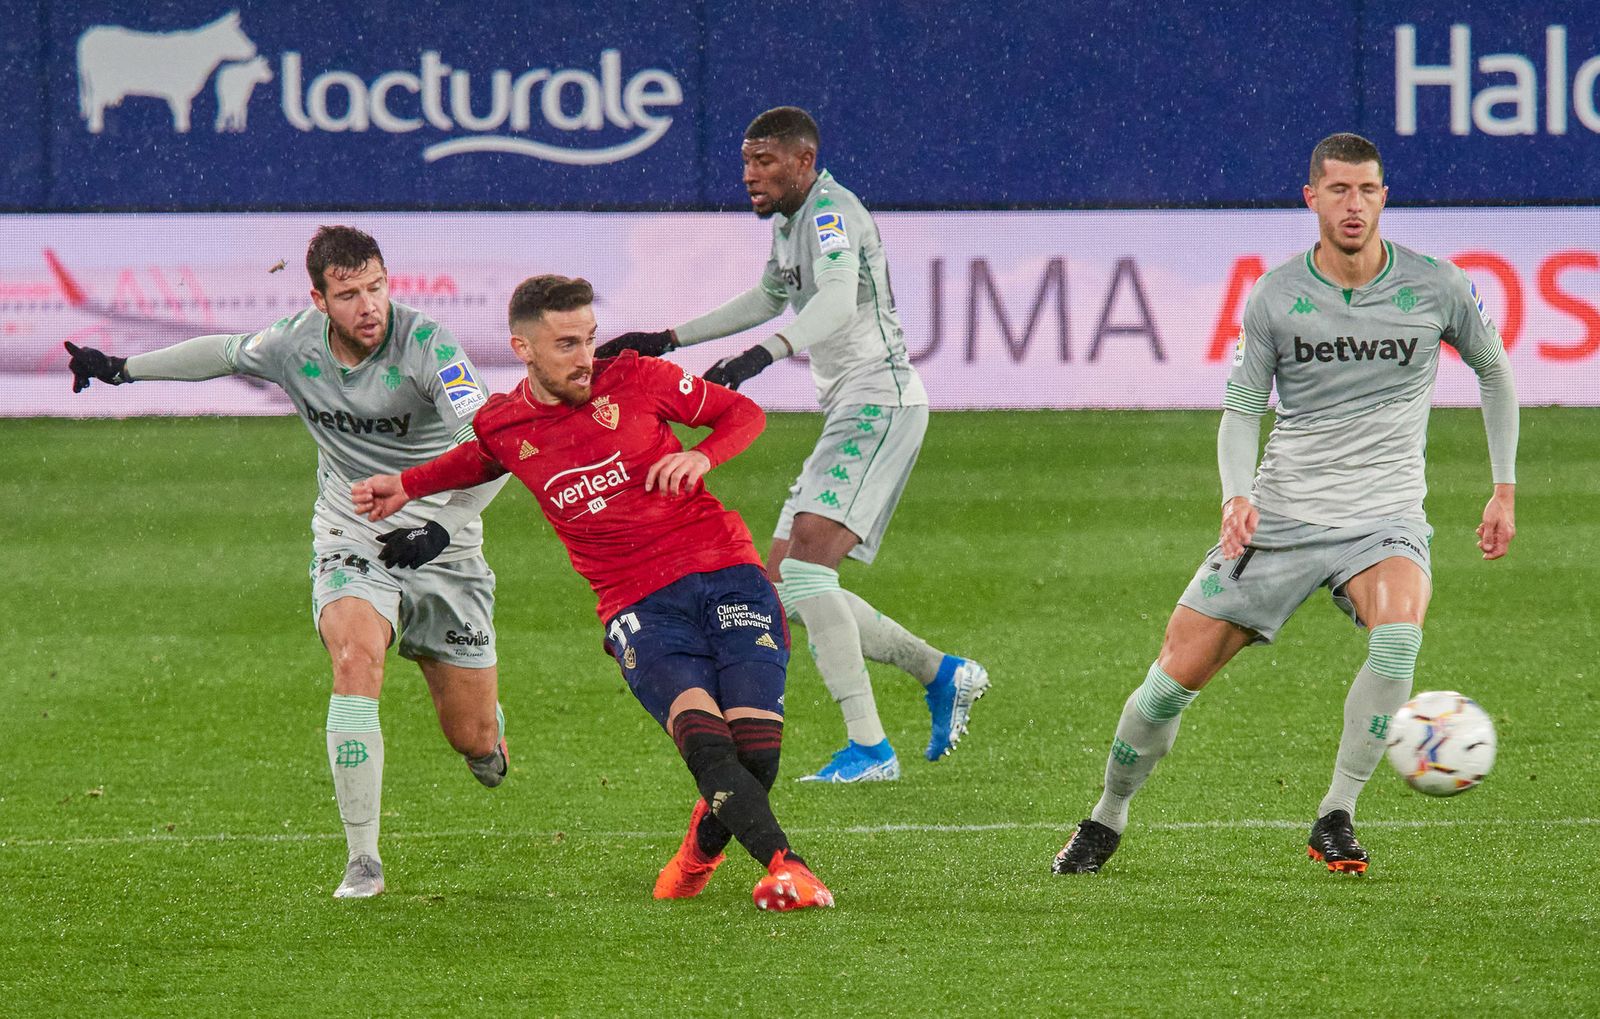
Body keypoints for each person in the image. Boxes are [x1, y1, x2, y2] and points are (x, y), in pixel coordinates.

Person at [1052, 133, 1519, 876]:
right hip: (1284, 518)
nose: (1354, 204)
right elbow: (1241, 404)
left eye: (1367, 190)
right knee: (1168, 683)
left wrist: (1503, 486)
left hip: (1383, 518)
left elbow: (1495, 372)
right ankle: (1107, 814)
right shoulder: (1276, 295)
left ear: (1384, 196)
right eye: (1338, 190)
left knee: (1399, 636)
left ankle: (1337, 813)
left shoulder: (1438, 286)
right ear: (1312, 198)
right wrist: (1237, 493)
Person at [352, 274, 833, 911]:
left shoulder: (634, 378)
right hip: (638, 607)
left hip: (726, 572)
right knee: (708, 745)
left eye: (590, 340)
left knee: (759, 758)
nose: (586, 359)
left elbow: (741, 413)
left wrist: (704, 457)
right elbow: (478, 460)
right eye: (567, 346)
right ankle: (788, 866)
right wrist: (407, 486)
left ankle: (699, 852)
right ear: (522, 349)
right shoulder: (505, 422)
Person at [65, 226, 511, 899]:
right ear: (320, 299)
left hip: (442, 544)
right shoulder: (294, 343)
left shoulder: (430, 347)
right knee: (355, 661)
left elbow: (496, 450)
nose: (368, 306)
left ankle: (484, 734)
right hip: (352, 534)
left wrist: (441, 529)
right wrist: (123, 367)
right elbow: (220, 352)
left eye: (376, 287)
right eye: (349, 294)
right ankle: (364, 860)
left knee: (472, 740)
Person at [597, 105, 988, 783]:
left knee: (805, 576)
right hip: (852, 407)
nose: (750, 175)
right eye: (746, 161)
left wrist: (759, 359)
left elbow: (834, 302)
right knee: (782, 586)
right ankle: (941, 672)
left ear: (804, 161)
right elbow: (766, 296)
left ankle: (871, 748)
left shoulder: (832, 213)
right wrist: (667, 340)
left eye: (765, 161)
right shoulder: (791, 221)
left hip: (880, 402)